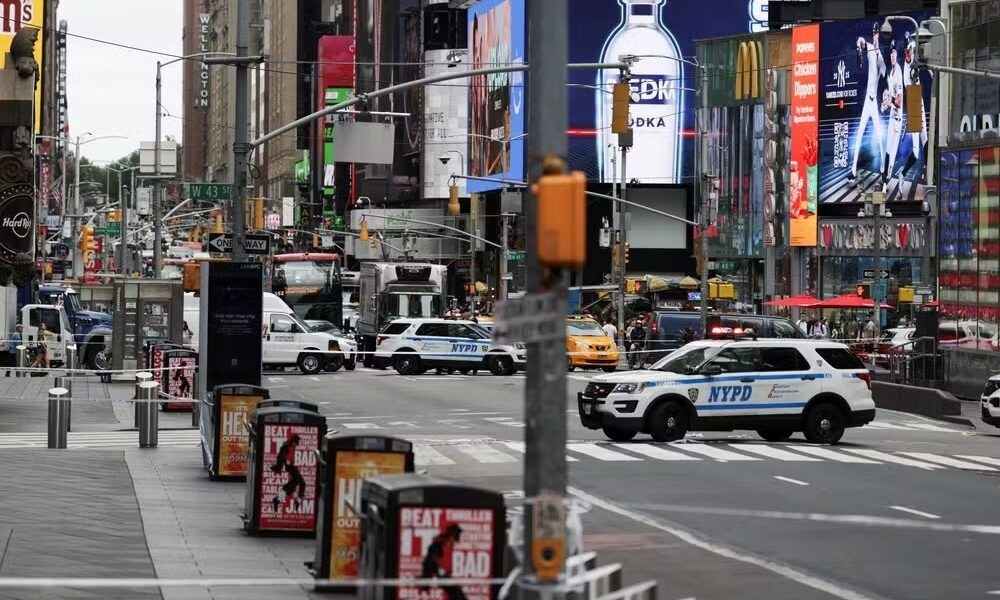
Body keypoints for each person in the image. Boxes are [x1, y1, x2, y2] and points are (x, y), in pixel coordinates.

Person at [849, 21, 887, 185]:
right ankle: (852, 171)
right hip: (867, 100)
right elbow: (862, 42)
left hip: (875, 102)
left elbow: (885, 76)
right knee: (859, 134)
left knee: (879, 136)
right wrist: (859, 46)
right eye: (874, 33)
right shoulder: (870, 47)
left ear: (880, 35)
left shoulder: (881, 58)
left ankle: (883, 170)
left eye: (877, 33)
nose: (875, 36)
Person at [880, 39, 904, 195]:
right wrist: (885, 101)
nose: (893, 55)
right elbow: (888, 98)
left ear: (897, 54)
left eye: (895, 52)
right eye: (891, 53)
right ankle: (884, 182)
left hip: (897, 120)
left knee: (892, 155)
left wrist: (889, 102)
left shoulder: (899, 72)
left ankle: (893, 178)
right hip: (891, 118)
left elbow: (900, 102)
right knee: (887, 152)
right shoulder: (890, 72)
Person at [419, 522, 467, 600]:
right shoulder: (438, 544)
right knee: (458, 595)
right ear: (452, 536)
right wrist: (438, 571)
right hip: (438, 576)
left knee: (457, 595)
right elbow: (430, 561)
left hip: (443, 576)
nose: (457, 540)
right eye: (457, 536)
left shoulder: (446, 544)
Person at [270, 434, 306, 513]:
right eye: (296, 442)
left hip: (291, 466)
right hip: (290, 467)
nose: (297, 444)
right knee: (302, 482)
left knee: (293, 484)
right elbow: (282, 456)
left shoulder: (290, 445)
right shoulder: (286, 446)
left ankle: (277, 499)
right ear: (293, 441)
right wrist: (286, 462)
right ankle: (298, 500)